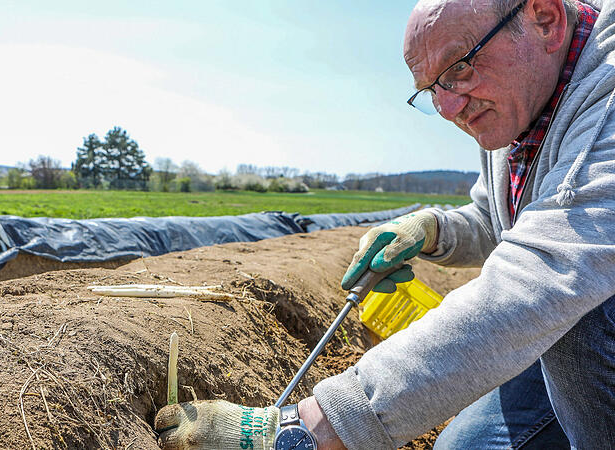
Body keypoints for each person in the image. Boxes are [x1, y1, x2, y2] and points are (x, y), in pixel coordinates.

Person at [154, 0, 615, 448]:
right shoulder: (520, 105)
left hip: (583, 325)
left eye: (459, 67)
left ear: (545, 19)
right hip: (562, 341)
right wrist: (432, 229)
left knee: (582, 311)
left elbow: (546, 276)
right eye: (432, 90)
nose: (448, 108)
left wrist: (308, 428)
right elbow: (502, 222)